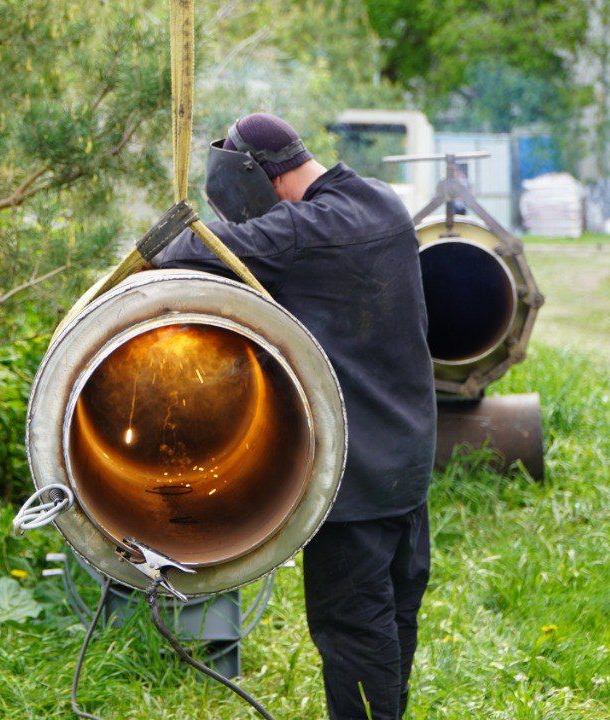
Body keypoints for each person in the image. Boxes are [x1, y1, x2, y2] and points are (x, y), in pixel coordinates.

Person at [152, 112, 437, 720]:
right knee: (392, 617)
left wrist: (170, 229)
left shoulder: (301, 230)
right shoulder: (381, 203)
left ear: (256, 175)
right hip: (408, 465)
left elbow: (182, 254)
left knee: (354, 629)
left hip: (355, 479)